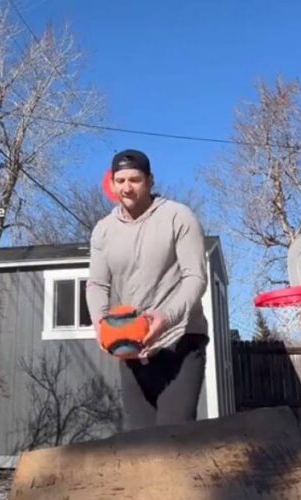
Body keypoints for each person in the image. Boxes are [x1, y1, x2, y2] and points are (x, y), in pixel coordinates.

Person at [86, 149, 210, 430]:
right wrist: (101, 326)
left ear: (150, 180)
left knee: (173, 436)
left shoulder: (178, 216)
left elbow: (195, 278)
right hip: (131, 346)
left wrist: (165, 318)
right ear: (112, 183)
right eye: (120, 181)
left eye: (135, 179)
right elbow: (97, 284)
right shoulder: (103, 230)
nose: (127, 188)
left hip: (181, 341)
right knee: (140, 443)